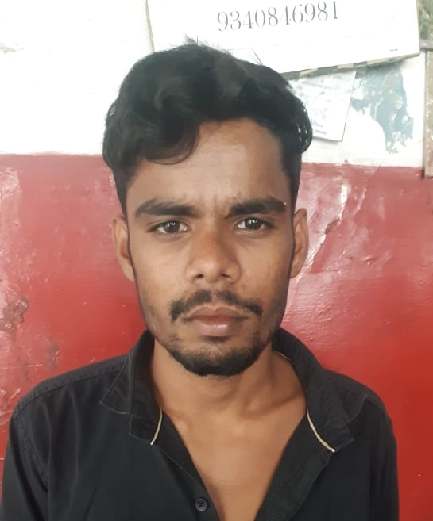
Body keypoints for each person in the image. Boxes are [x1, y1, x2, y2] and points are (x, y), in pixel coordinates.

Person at [1, 44, 398, 521]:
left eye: (251, 222)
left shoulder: (360, 426)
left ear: (297, 243)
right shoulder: (51, 431)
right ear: (126, 249)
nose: (212, 263)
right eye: (171, 226)